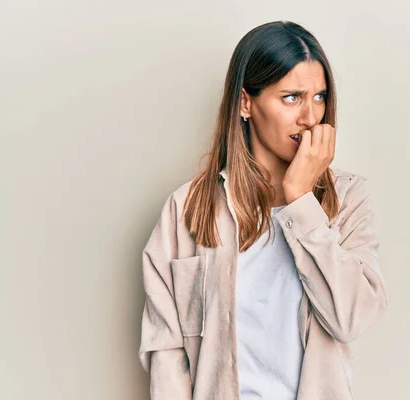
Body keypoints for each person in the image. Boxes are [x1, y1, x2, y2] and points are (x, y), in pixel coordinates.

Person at [138, 20, 389, 400]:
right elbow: (165, 349)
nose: (309, 117)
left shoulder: (348, 200)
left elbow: (350, 320)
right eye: (291, 97)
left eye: (319, 97)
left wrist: (301, 199)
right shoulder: (188, 209)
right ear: (245, 103)